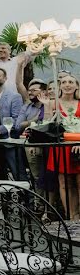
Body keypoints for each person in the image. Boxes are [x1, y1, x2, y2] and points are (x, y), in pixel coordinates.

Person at [46, 75, 80, 219]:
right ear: (60, 86)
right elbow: (47, 126)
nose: (67, 85)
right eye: (64, 82)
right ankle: (71, 216)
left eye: (71, 82)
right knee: (64, 183)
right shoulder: (53, 103)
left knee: (79, 182)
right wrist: (46, 107)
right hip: (61, 146)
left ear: (76, 86)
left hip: (78, 145)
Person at [0, 67, 26, 180]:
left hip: (9, 140)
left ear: (5, 78)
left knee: (18, 173)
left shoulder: (14, 96)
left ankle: (26, 197)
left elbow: (16, 119)